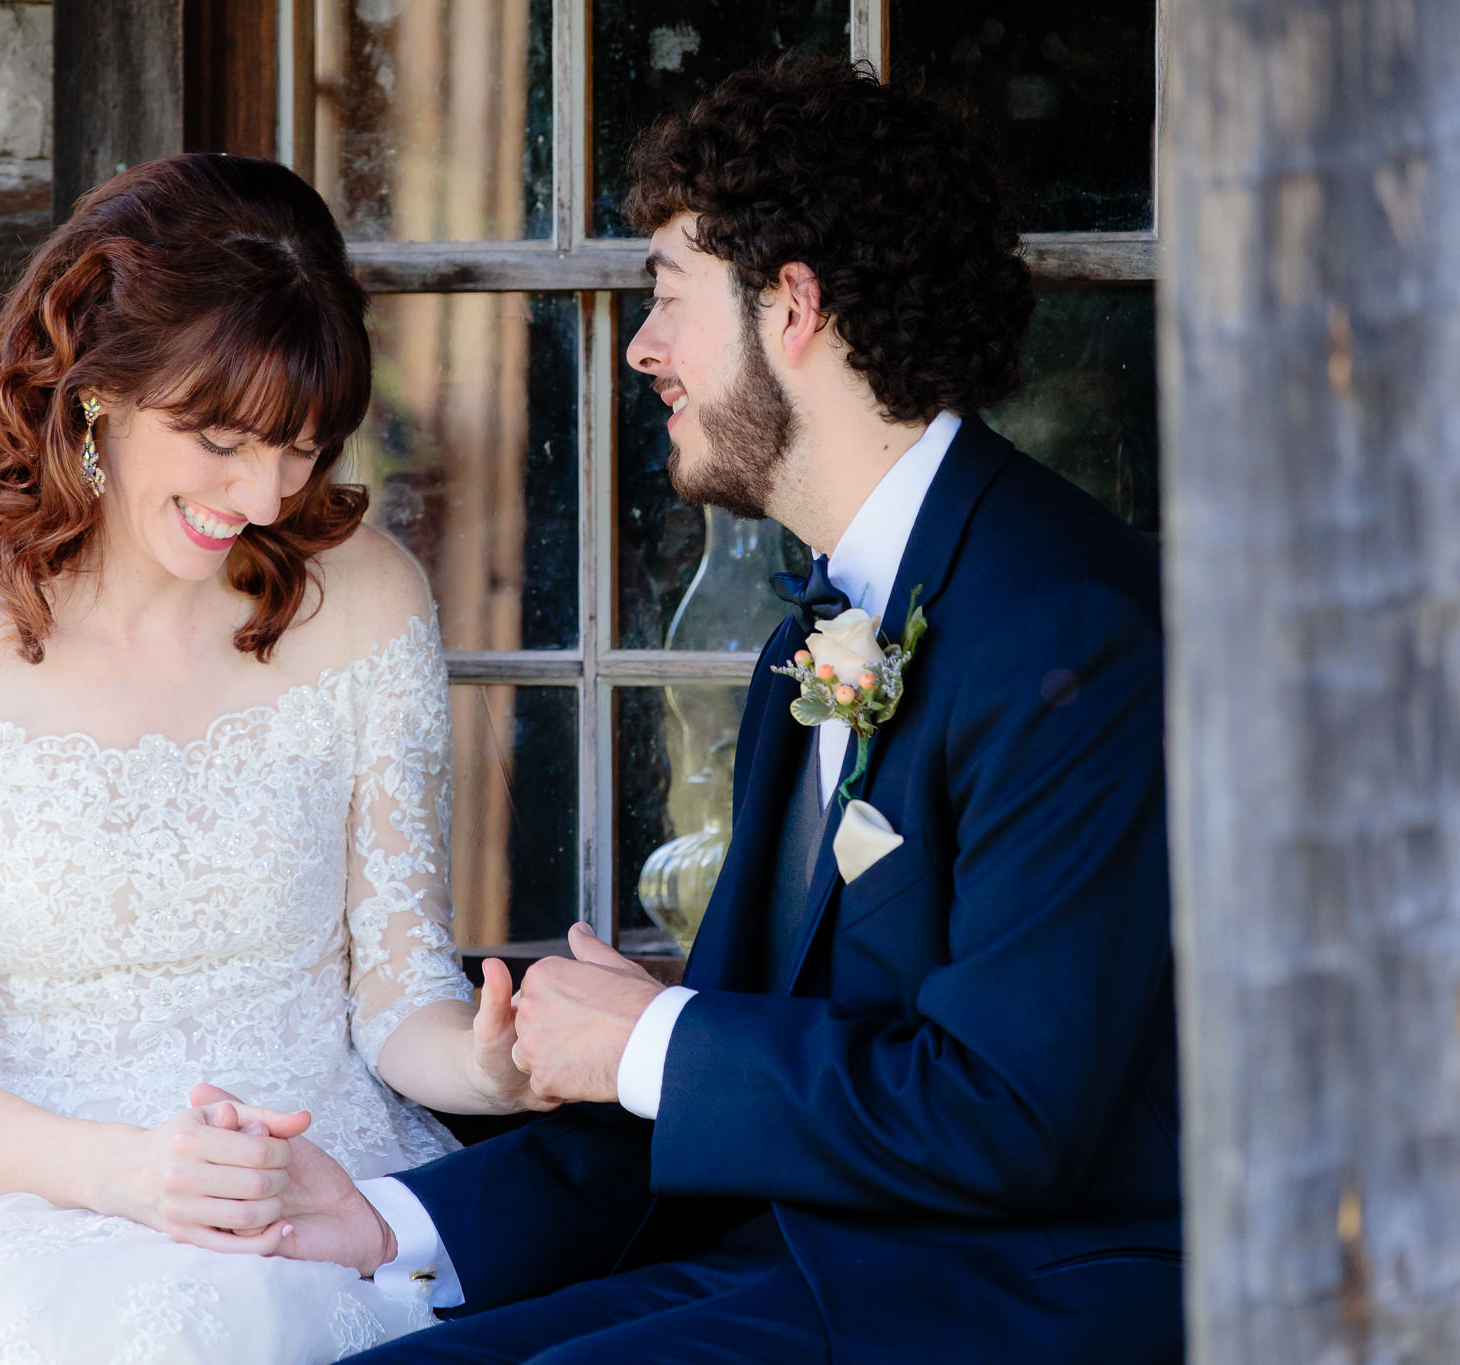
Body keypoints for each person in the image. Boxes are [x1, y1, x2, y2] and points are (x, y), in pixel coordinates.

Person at [198, 54, 1184, 1364]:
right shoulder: (819, 633)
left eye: (669, 300)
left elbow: (1005, 1111)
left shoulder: (1072, 629)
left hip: (1012, 1300)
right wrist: (392, 1222)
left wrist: (657, 1034)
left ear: (794, 309)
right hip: (798, 1266)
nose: (643, 349)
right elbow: (740, 1043)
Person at [0, 153, 549, 1365]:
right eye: (219, 439)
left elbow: (397, 1000)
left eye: (302, 448)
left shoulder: (367, 598)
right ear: (95, 389)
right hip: (42, 1228)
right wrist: (133, 1175)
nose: (261, 495)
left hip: (321, 1196)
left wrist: (492, 1071)